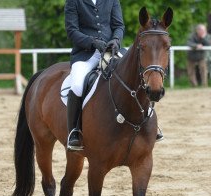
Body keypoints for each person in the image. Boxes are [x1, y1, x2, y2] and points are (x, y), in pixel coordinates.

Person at [65, 0, 163, 151]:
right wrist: (92, 42)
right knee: (77, 84)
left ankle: (149, 119)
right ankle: (74, 131)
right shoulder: (74, 1)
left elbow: (118, 26)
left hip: (112, 50)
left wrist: (116, 40)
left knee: (137, 74)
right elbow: (72, 31)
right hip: (86, 54)